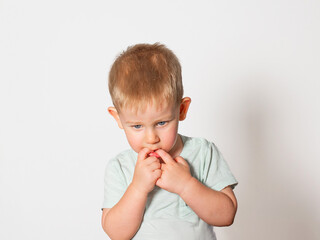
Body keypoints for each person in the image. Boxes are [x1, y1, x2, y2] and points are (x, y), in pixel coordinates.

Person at [101, 43, 238, 240]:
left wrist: (186, 185)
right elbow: (116, 233)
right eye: (137, 126)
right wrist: (138, 188)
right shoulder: (120, 167)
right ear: (118, 119)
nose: (151, 138)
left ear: (181, 110)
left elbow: (227, 215)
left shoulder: (203, 152)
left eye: (162, 122)